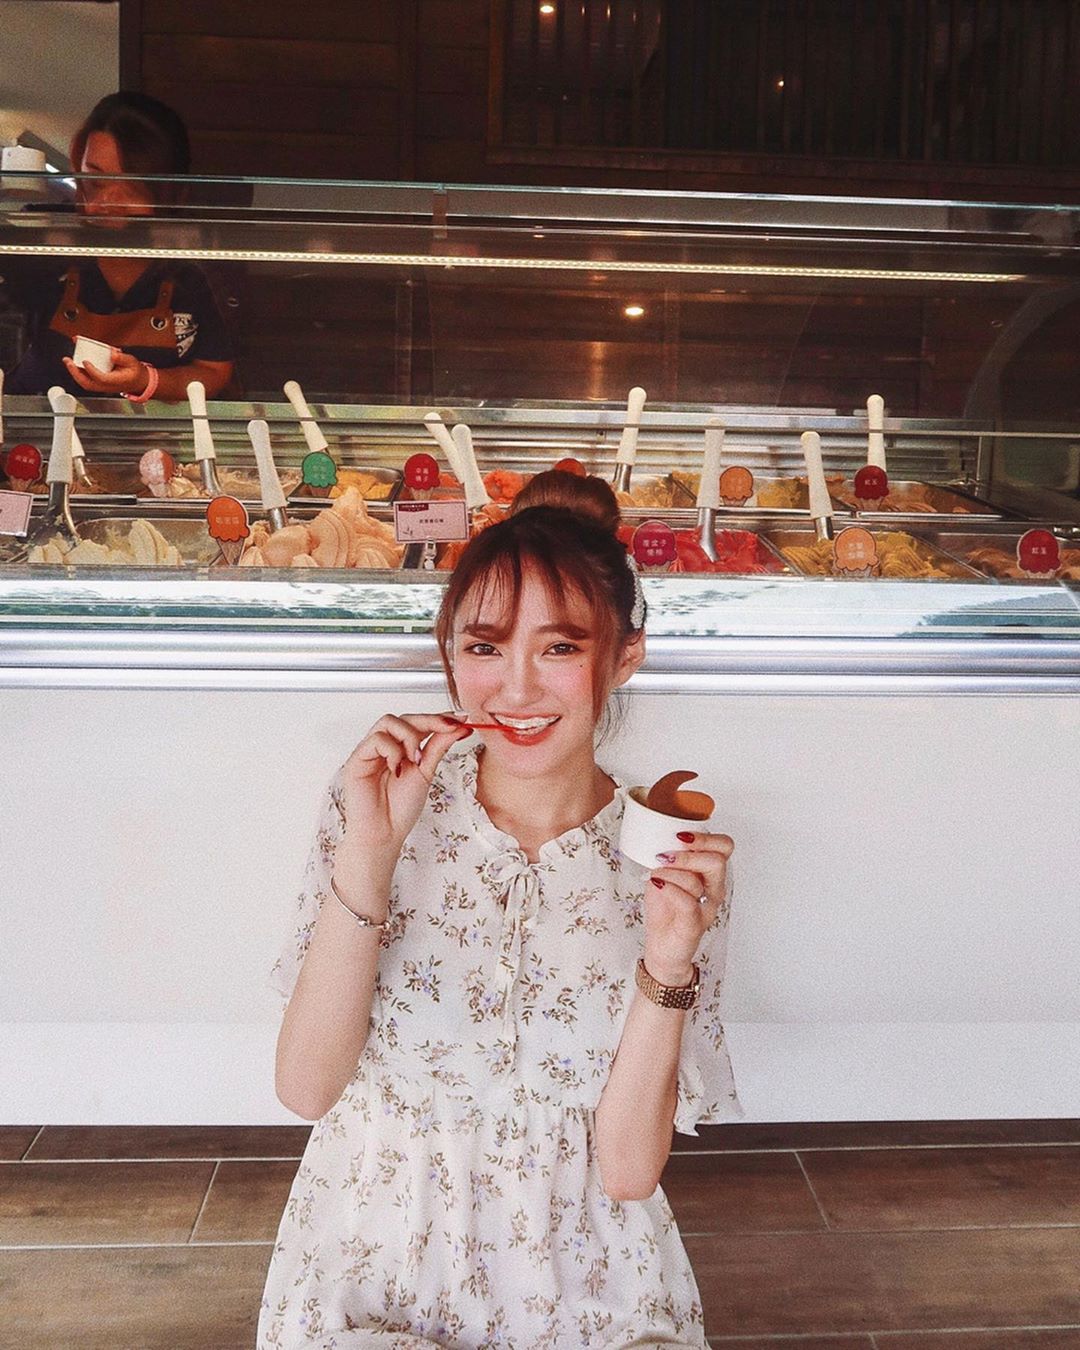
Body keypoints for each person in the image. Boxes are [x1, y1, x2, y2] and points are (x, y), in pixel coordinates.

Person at [259, 472, 739, 1349]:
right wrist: (371, 853)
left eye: (559, 648)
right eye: (485, 646)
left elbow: (628, 1172)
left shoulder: (667, 856)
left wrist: (669, 965)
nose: (515, 690)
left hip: (588, 1279)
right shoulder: (377, 802)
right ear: (449, 653)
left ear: (624, 657)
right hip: (377, 1259)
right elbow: (306, 1088)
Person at [3, 91, 234, 401]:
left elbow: (213, 370)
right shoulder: (49, 240)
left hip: (143, 428)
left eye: (132, 187)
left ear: (168, 191)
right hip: (39, 422)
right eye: (96, 182)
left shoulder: (190, 268)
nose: (105, 203)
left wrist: (145, 379)